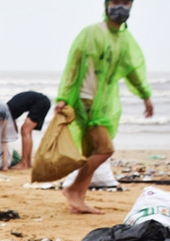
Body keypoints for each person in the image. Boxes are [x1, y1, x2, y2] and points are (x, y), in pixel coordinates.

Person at [55, 0, 153, 214]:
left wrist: (145, 96)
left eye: (126, 3)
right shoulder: (90, 34)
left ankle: (78, 197)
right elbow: (72, 65)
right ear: (107, 5)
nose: (121, 7)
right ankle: (73, 190)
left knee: (91, 150)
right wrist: (63, 97)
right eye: (116, 2)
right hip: (84, 100)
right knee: (105, 149)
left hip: (103, 105)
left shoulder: (125, 40)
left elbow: (132, 71)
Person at [6, 91, 51, 169]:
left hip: (40, 102)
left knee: (25, 130)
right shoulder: (9, 109)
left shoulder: (6, 112)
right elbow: (14, 130)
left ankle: (24, 163)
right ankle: (28, 162)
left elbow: (13, 131)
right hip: (43, 101)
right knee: (26, 131)